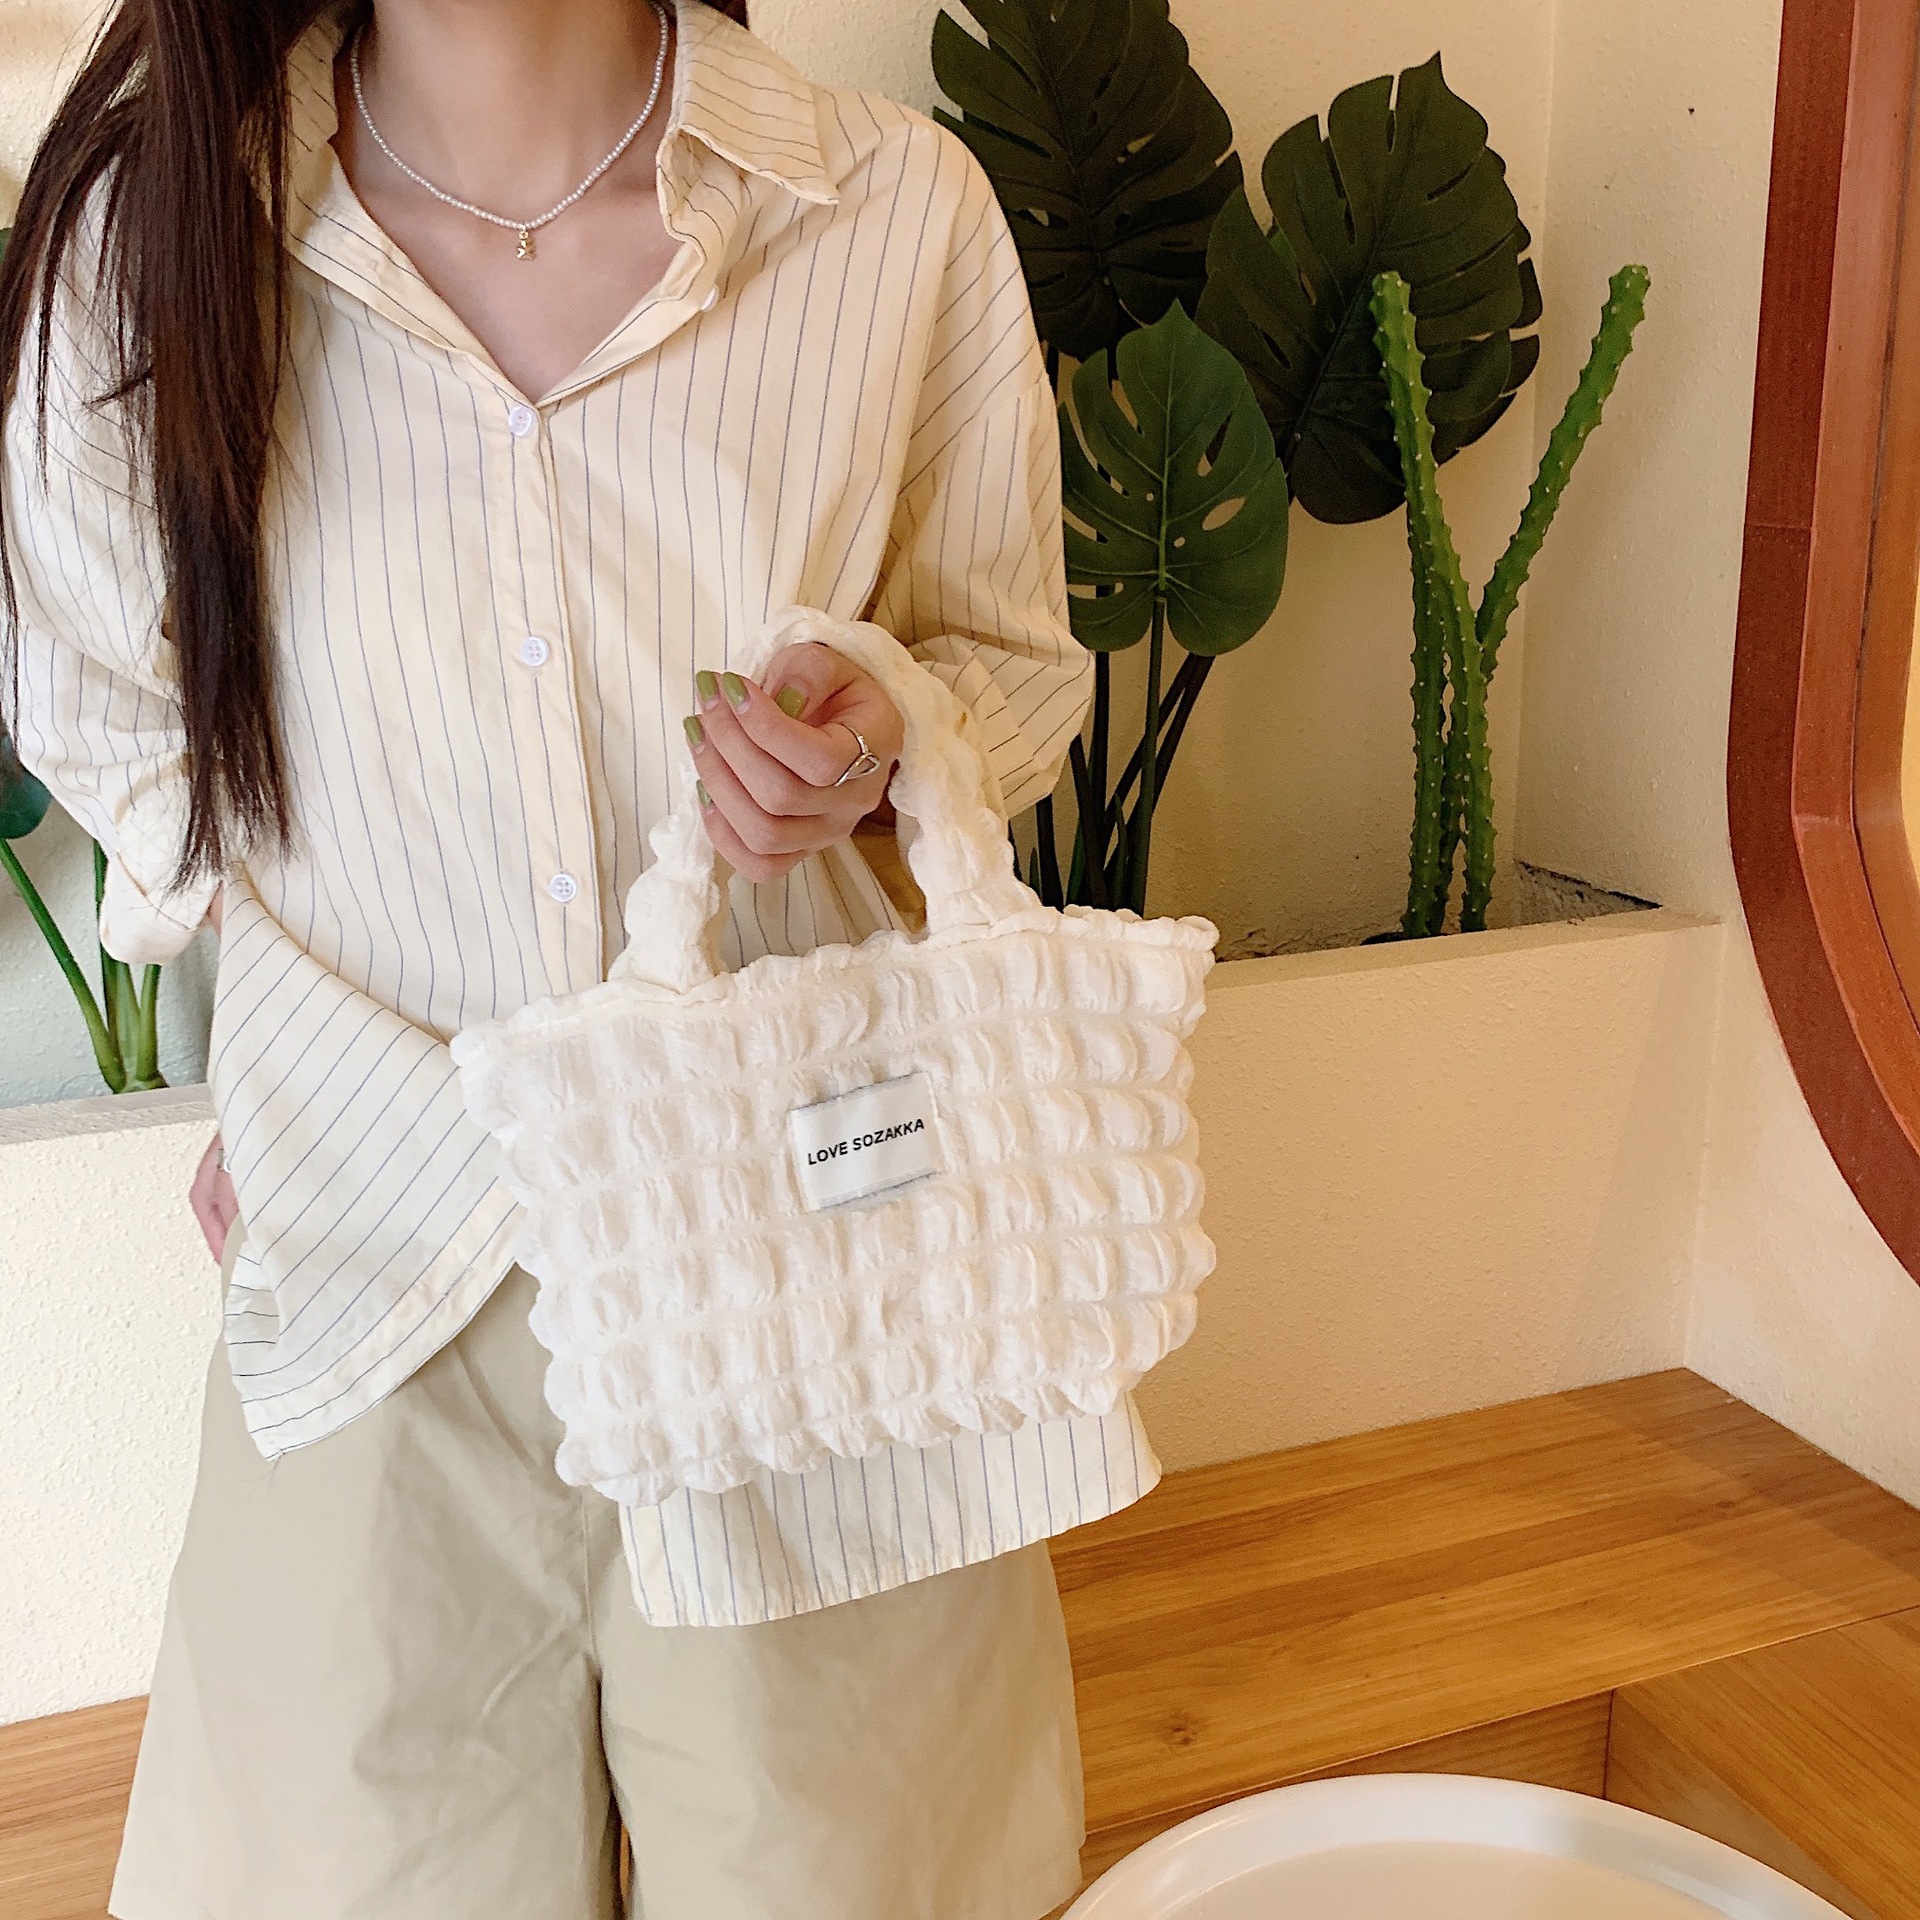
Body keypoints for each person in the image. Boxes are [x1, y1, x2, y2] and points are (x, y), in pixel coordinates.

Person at [0, 1, 1165, 1915]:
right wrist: (291, 1071)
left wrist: (876, 739)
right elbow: (116, 721)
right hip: (384, 1278)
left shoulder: (893, 213)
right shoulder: (151, 238)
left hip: (814, 1279)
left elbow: (1005, 666)